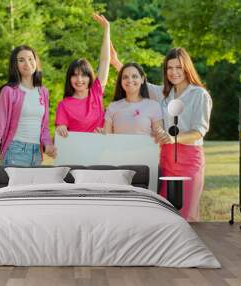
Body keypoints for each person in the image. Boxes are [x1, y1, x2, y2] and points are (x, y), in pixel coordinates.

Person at [111, 46, 212, 221]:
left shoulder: (199, 94)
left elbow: (199, 131)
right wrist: (115, 62)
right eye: (169, 68)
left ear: (187, 67)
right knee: (167, 215)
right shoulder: (162, 94)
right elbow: (136, 81)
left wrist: (173, 139)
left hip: (189, 160)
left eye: (178, 67)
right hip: (166, 160)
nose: (174, 72)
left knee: (186, 215)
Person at [0, 45, 56, 184]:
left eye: (30, 59)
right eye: (21, 60)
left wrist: (48, 144)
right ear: (15, 65)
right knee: (16, 202)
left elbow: (44, 128)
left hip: (36, 155)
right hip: (15, 152)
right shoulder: (8, 92)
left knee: (33, 202)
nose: (27, 63)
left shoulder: (43, 91)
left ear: (36, 62)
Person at [55, 14, 110, 137]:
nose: (79, 79)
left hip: (100, 151)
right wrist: (61, 128)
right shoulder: (64, 105)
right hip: (76, 153)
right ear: (69, 78)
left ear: (90, 77)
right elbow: (61, 132)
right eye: (74, 75)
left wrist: (107, 29)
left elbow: (105, 60)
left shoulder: (96, 93)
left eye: (83, 75)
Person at [104, 62, 163, 135]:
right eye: (125, 77)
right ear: (121, 82)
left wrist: (161, 134)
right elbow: (106, 138)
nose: (130, 80)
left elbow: (159, 137)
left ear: (142, 79)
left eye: (134, 76)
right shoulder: (112, 107)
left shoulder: (153, 106)